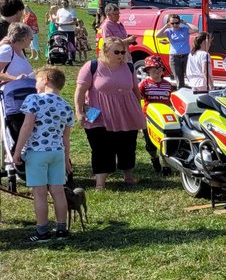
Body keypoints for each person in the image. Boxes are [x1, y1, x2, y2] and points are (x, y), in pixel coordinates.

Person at [74, 37, 146, 189]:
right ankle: (100, 183)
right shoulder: (91, 66)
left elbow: (135, 90)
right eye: (117, 52)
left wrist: (139, 109)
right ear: (106, 51)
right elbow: (80, 91)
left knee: (127, 145)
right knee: (101, 148)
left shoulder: (129, 67)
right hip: (98, 114)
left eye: (123, 51)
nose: (121, 55)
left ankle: (128, 176)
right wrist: (79, 111)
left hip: (126, 113)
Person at [12, 66, 74, 241]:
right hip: (57, 153)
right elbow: (66, 138)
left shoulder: (33, 99)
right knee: (58, 191)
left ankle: (42, 231)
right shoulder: (66, 106)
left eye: (37, 80)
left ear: (45, 79)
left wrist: (17, 151)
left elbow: (27, 126)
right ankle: (62, 229)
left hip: (37, 153)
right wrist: (66, 159)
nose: (35, 84)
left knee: (40, 193)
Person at [0, 23, 38, 149]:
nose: (31, 41)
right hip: (10, 94)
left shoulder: (20, 51)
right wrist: (15, 78)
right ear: (23, 38)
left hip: (22, 93)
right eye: (31, 38)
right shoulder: (7, 49)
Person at [138, 56, 174, 174]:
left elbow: (172, 101)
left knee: (164, 143)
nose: (157, 71)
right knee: (150, 145)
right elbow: (137, 99)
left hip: (164, 119)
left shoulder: (168, 85)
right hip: (148, 118)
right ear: (148, 71)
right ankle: (154, 159)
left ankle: (166, 165)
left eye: (158, 68)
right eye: (153, 69)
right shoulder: (144, 84)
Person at [155, 13, 197, 87]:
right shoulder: (169, 31)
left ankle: (194, 92)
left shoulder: (184, 29)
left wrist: (185, 23)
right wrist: (166, 26)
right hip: (174, 58)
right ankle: (181, 93)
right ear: (170, 23)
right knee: (179, 79)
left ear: (179, 22)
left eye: (177, 23)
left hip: (186, 56)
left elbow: (195, 29)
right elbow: (157, 35)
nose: (175, 25)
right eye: (172, 23)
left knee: (190, 76)